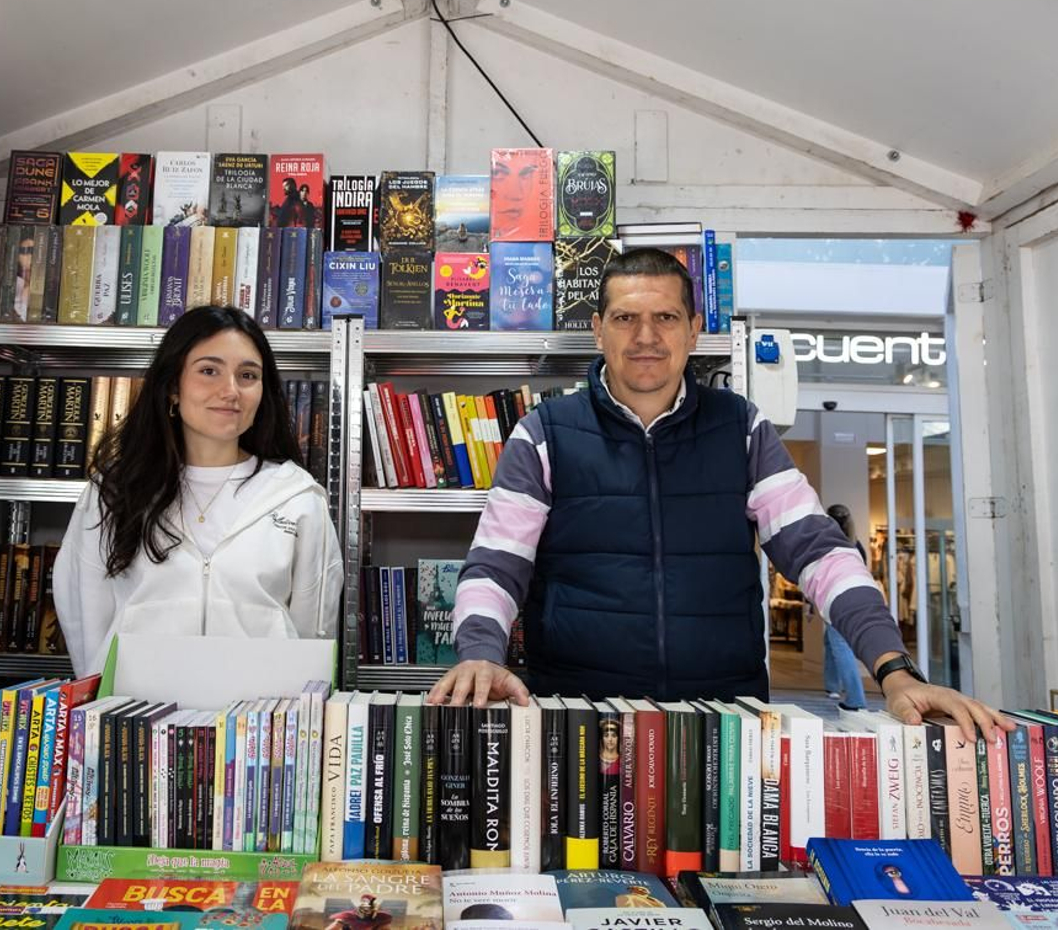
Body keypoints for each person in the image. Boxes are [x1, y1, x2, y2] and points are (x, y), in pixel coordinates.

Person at [429, 248, 1009, 740]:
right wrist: (480, 652)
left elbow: (819, 552)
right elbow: (496, 565)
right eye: (626, 318)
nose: (647, 337)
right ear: (597, 328)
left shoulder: (740, 427)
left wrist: (895, 669)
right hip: (582, 719)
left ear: (694, 329)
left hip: (725, 722)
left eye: (667, 317)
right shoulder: (545, 433)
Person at [52, 305, 344, 676]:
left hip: (257, 723)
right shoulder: (114, 492)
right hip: (136, 719)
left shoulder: (298, 498)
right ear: (173, 386)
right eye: (209, 371)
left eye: (248, 375)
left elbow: (313, 633)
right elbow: (84, 612)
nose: (231, 391)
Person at [823, 503, 870, 711]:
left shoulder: (828, 545)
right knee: (830, 641)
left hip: (836, 599)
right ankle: (832, 685)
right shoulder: (857, 547)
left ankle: (855, 698)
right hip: (856, 597)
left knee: (840, 644)